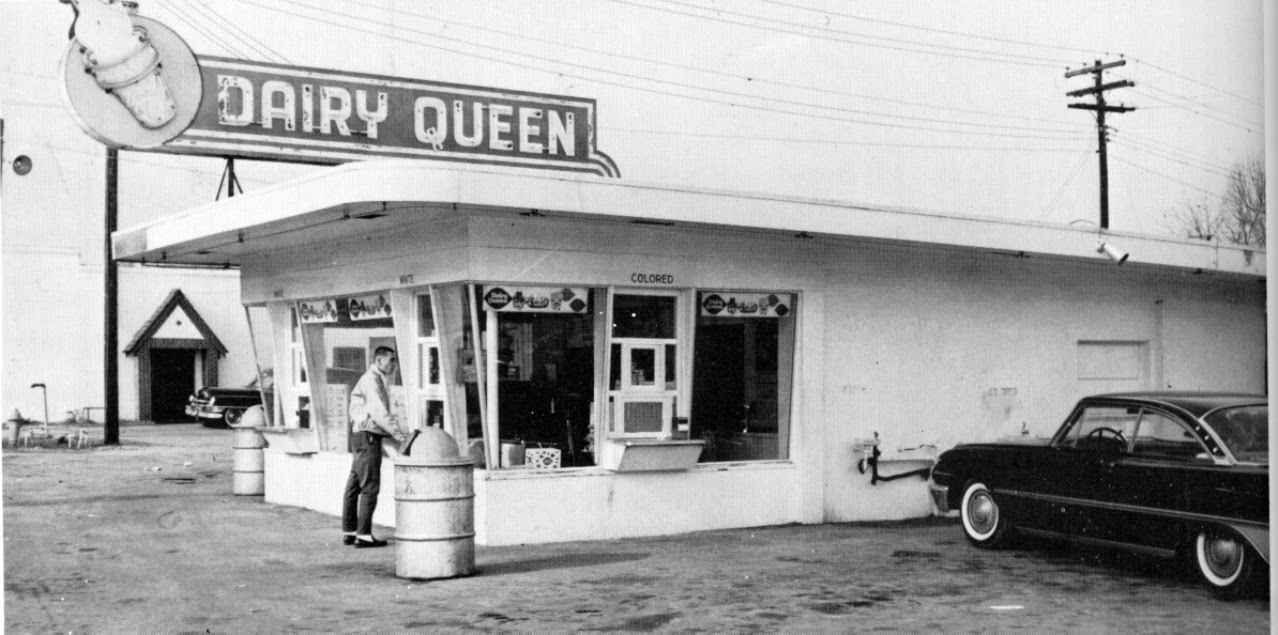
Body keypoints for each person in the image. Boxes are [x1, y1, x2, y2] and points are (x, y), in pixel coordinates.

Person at [342, 346, 404, 548]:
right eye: (391, 360)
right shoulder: (372, 380)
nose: (394, 365)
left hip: (359, 435)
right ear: (379, 361)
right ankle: (364, 535)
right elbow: (379, 412)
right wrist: (399, 434)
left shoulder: (372, 379)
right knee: (370, 486)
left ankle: (350, 530)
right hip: (368, 437)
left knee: (354, 484)